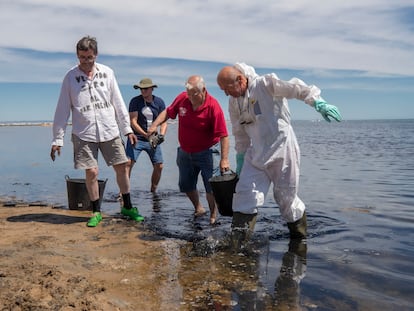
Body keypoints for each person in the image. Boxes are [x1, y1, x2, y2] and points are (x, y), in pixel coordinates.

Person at [216, 63, 342, 241]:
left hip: (282, 151)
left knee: (286, 200)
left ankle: (299, 241)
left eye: (227, 88)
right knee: (244, 195)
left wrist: (318, 103)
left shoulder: (265, 84)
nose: (226, 94)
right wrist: (241, 158)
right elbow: (240, 133)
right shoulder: (234, 102)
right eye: (223, 90)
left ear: (240, 79)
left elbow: (296, 88)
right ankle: (238, 245)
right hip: (255, 156)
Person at [50, 36, 144, 227]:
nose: (86, 61)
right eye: (82, 57)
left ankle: (127, 206)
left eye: (90, 57)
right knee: (92, 171)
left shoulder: (108, 73)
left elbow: (117, 101)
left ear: (96, 55)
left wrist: (127, 129)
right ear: (77, 56)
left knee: (122, 167)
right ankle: (95, 211)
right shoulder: (70, 77)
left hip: (109, 129)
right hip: (83, 132)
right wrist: (57, 139)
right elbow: (62, 109)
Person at [148, 75, 230, 224]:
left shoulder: (213, 106)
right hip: (185, 152)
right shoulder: (182, 98)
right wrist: (155, 125)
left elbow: (224, 135)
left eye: (194, 94)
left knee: (211, 187)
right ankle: (198, 208)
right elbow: (168, 112)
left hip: (208, 151)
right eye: (189, 93)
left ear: (203, 90)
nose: (191, 97)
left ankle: (213, 216)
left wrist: (224, 159)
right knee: (185, 184)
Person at [125, 78, 167, 193]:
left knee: (159, 165)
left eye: (146, 89)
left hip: (153, 139)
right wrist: (144, 134)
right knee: (128, 163)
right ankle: (123, 192)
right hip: (137, 137)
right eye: (141, 89)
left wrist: (161, 135)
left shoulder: (159, 102)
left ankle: (153, 190)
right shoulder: (135, 101)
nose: (143, 91)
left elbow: (164, 121)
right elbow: (133, 121)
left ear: (152, 89)